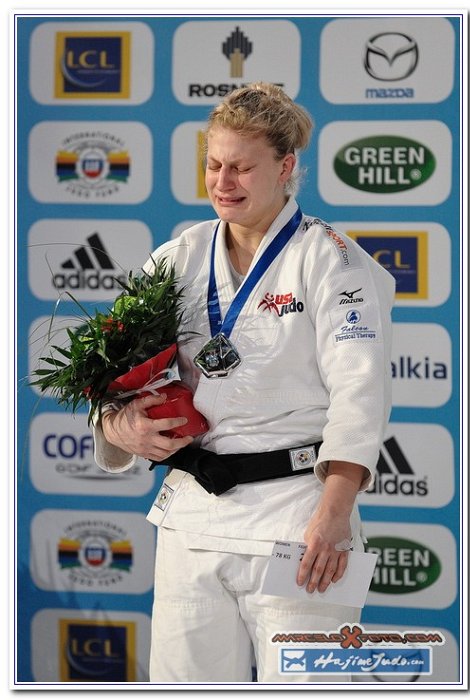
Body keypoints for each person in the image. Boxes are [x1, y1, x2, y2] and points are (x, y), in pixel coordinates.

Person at [93, 82, 395, 683]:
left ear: (285, 168)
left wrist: (334, 516)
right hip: (193, 520)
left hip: (299, 521)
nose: (222, 181)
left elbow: (361, 397)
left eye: (240, 167)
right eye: (213, 163)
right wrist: (117, 422)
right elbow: (113, 375)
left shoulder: (332, 260)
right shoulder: (176, 257)